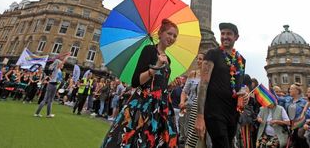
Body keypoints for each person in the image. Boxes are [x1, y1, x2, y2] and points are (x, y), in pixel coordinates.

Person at [101, 19, 179, 148]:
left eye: (175, 36)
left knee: (155, 140)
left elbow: (160, 84)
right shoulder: (149, 50)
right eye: (169, 34)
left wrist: (170, 86)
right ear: (160, 33)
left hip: (161, 106)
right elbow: (136, 81)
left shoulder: (168, 59)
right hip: (144, 103)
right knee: (135, 138)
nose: (172, 38)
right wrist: (155, 67)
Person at [195, 22, 248, 148]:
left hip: (233, 113)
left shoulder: (241, 60)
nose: (225, 36)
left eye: (229, 34)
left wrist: (245, 94)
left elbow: (240, 86)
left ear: (236, 37)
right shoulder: (212, 54)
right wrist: (200, 116)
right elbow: (203, 85)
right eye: (222, 33)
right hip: (214, 112)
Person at [278, 83, 308, 148]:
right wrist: (270, 89)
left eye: (291, 89)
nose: (289, 91)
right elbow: (275, 98)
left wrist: (298, 124)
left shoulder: (304, 102)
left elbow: (306, 115)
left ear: (297, 91)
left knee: (301, 144)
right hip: (289, 126)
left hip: (300, 127)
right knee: (292, 144)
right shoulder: (287, 99)